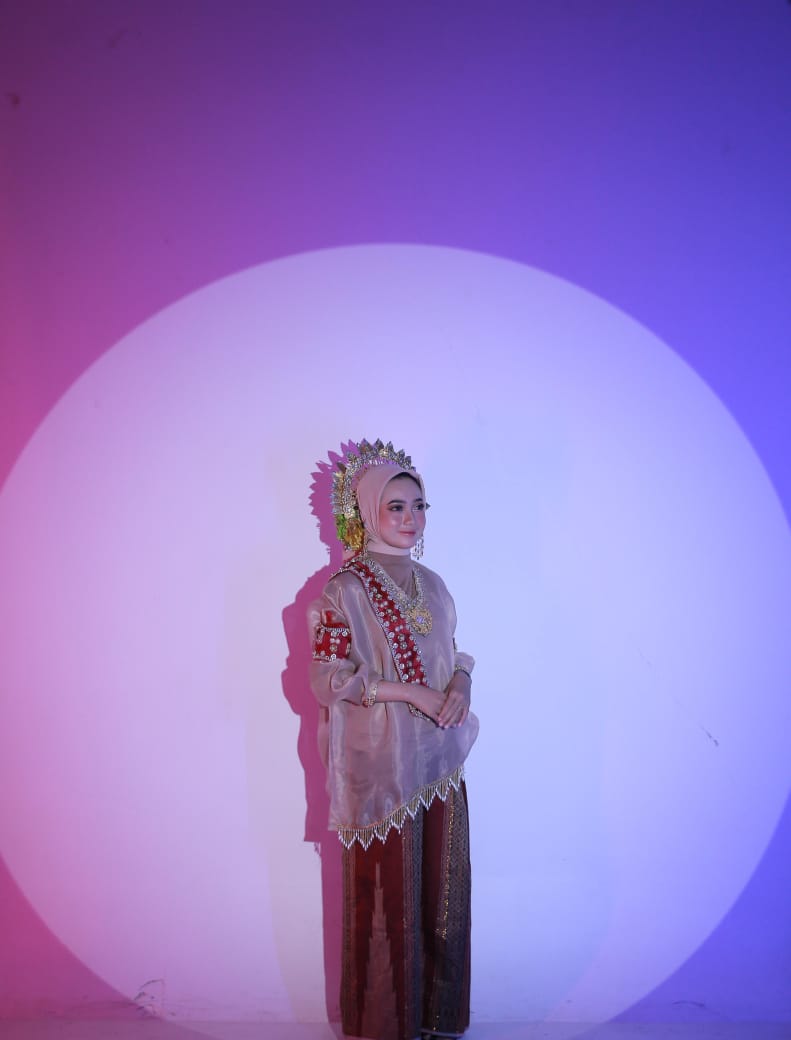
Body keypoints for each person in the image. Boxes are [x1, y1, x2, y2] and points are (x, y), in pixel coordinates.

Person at [309, 439, 479, 1040]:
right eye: (396, 507)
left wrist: (459, 683)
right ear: (365, 512)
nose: (411, 519)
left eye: (419, 506)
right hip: (382, 769)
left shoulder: (433, 584)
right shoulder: (343, 590)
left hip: (440, 762)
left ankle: (435, 1019)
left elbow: (453, 651)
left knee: (441, 890)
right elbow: (328, 678)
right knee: (387, 896)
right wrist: (414, 694)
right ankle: (385, 1025)